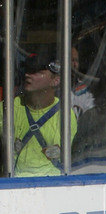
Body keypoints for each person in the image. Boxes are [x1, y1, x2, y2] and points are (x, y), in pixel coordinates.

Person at [0, 48, 77, 177]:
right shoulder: (9, 108)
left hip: (54, 186)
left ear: (55, 80)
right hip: (13, 186)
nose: (28, 75)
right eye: (28, 70)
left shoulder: (66, 116)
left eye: (37, 71)